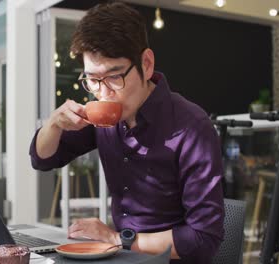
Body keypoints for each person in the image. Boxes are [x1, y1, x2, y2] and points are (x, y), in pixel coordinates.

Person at [29, 2, 224, 263]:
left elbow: (203, 240)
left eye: (114, 76)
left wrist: (118, 239)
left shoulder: (191, 126)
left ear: (146, 64)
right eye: (93, 80)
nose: (104, 92)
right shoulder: (103, 118)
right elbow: (43, 159)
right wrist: (53, 124)